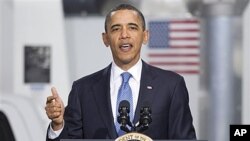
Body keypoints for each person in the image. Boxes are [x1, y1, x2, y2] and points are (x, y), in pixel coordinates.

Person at [45, 3, 196, 141]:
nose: (124, 35)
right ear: (105, 39)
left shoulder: (171, 86)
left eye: (132, 27)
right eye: (116, 29)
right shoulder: (83, 90)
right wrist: (58, 125)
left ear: (145, 36)